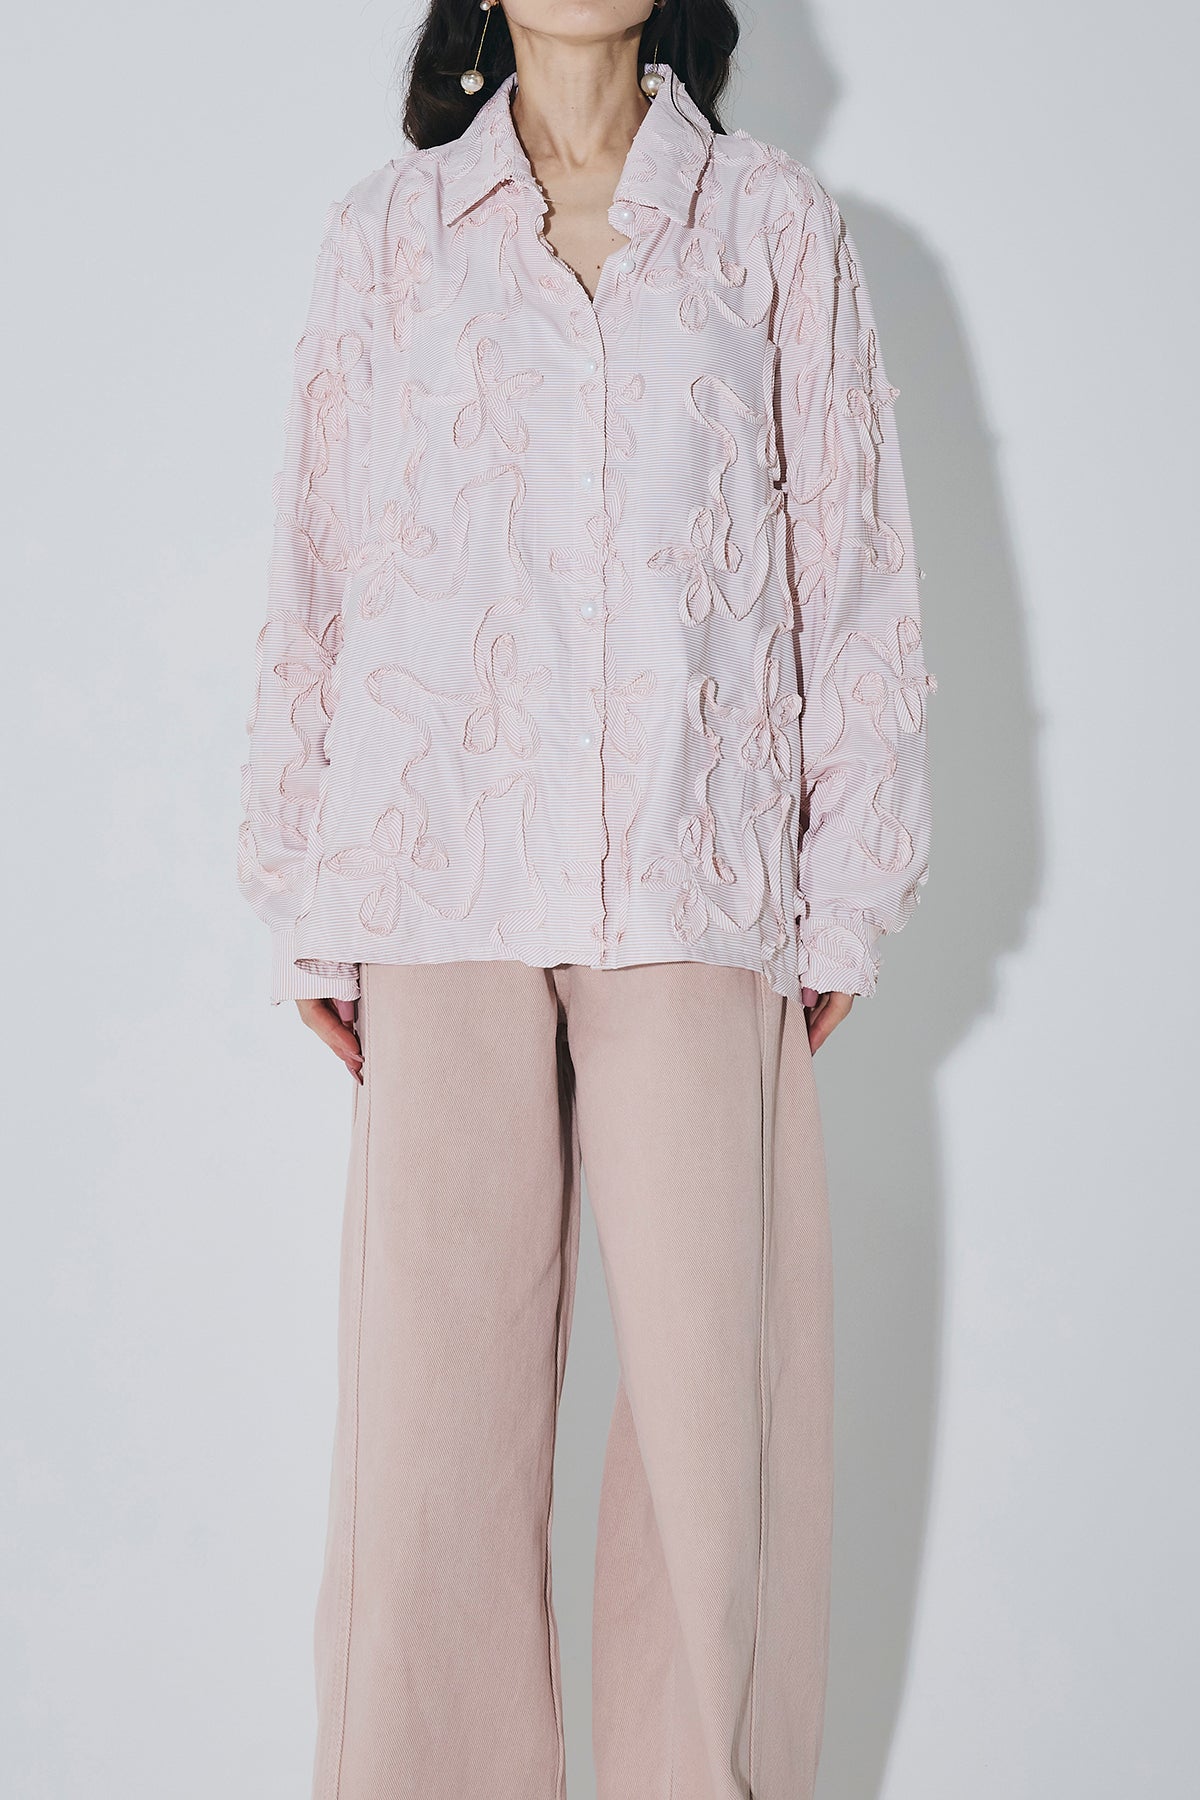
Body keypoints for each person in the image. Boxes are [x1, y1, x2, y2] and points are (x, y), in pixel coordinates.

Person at [235, 3, 936, 1796]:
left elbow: (852, 569)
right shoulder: (389, 237)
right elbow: (322, 566)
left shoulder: (770, 226)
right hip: (439, 885)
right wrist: (311, 889)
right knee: (430, 1449)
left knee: (717, 1443)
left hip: (698, 881)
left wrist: (843, 886)